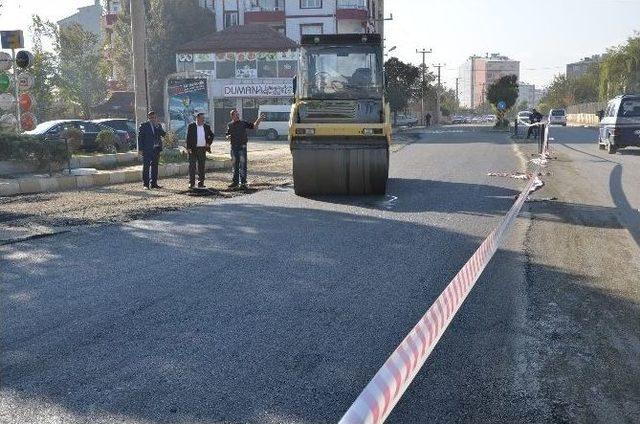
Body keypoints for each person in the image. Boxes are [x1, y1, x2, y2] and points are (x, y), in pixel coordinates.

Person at [225, 109, 264, 190]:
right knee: (235, 165)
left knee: (243, 165)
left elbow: (253, 126)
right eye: (236, 114)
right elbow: (227, 134)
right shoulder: (230, 125)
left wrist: (259, 120)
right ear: (232, 116)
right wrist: (228, 136)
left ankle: (243, 183)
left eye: (238, 114)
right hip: (234, 147)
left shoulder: (243, 123)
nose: (238, 115)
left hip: (242, 147)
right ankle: (235, 182)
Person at [137, 111, 166, 190]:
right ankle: (146, 184)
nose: (153, 119)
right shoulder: (144, 126)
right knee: (146, 166)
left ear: (156, 118)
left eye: (154, 117)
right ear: (148, 118)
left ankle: (154, 184)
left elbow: (163, 134)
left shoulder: (158, 125)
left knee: (155, 167)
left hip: (156, 149)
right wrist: (140, 149)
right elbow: (140, 138)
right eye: (151, 118)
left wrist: (157, 126)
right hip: (147, 149)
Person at [186, 112, 214, 189]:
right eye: (202, 118)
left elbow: (212, 135)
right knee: (192, 166)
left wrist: (208, 143)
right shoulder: (191, 126)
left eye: (204, 118)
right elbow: (188, 137)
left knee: (201, 166)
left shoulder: (206, 127)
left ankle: (201, 183)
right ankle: (191, 183)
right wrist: (188, 148)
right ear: (197, 118)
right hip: (193, 149)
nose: (203, 120)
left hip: (202, 149)